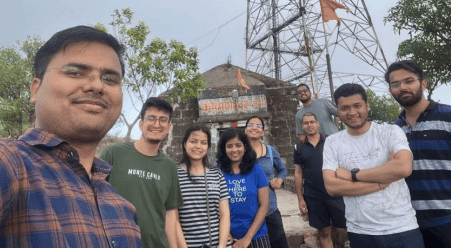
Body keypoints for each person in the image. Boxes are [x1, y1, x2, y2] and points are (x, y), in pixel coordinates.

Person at [0, 26, 142, 247]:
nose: (97, 85)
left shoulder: (123, 208)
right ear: (35, 89)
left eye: (110, 79)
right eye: (75, 72)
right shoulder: (10, 164)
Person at [322, 83, 424, 248]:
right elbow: (332, 186)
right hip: (361, 231)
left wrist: (353, 175)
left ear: (367, 105)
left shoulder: (390, 132)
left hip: (402, 227)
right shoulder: (333, 142)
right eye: (345, 108)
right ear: (338, 111)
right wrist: (382, 182)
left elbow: (403, 168)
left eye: (357, 106)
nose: (352, 113)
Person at [100, 97, 183, 248]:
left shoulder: (170, 167)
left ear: (169, 127)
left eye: (163, 120)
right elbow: (94, 198)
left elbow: (171, 214)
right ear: (141, 123)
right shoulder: (113, 154)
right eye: (151, 118)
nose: (157, 124)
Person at [386, 60, 451, 248]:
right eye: (395, 84)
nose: (402, 87)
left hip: (446, 219)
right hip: (408, 223)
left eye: (409, 81)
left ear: (423, 83)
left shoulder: (447, 116)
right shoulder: (393, 130)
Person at [294, 112, 346, 248]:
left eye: (312, 122)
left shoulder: (331, 142)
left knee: (348, 227)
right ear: (302, 126)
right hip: (313, 196)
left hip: (336, 193)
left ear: (318, 124)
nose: (309, 125)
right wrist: (300, 199)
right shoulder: (299, 148)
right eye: (306, 123)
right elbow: (298, 173)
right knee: (323, 232)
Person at [175, 126, 231, 248]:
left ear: (208, 146)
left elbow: (224, 215)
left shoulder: (216, 174)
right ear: (185, 144)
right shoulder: (174, 175)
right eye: (193, 141)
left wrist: (221, 246)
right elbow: (174, 220)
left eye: (203, 143)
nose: (198, 146)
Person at [217, 128, 271, 248]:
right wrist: (227, 235)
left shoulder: (257, 171)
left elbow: (264, 206)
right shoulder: (218, 173)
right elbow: (214, 207)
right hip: (227, 238)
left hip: (257, 236)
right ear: (224, 149)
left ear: (245, 147)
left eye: (238, 145)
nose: (234, 150)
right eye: (229, 146)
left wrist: (248, 237)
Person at [245, 116, 288, 248]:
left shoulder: (270, 151)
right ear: (245, 130)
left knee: (279, 244)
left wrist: (280, 180)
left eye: (259, 126)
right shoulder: (238, 152)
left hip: (270, 210)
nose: (254, 128)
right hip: (247, 212)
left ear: (263, 132)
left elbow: (282, 170)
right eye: (250, 125)